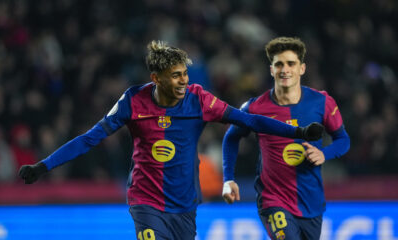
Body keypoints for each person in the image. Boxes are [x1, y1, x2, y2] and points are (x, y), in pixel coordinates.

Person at [19, 40, 324, 240]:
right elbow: (89, 139)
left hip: (184, 205)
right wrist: (43, 166)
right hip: (145, 200)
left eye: (185, 74)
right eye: (176, 75)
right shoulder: (132, 102)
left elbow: (249, 120)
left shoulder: (199, 100)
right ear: (156, 78)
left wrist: (297, 132)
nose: (184, 81)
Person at [222, 37, 350, 240]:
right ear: (271, 70)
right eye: (279, 64)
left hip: (311, 201)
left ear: (302, 68)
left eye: (291, 63)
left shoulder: (322, 102)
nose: (285, 70)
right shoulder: (255, 107)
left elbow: (343, 140)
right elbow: (231, 138)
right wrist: (228, 178)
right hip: (273, 199)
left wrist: (324, 154)